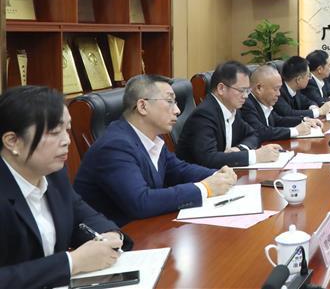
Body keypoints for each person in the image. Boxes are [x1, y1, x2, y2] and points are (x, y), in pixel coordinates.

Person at [0, 86, 126, 288]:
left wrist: (110, 236)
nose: (67, 141)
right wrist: (72, 263)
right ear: (12, 141)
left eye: (67, 129)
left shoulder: (54, 174)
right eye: (54, 132)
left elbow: (83, 216)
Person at [74, 75, 236, 226]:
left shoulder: (151, 139)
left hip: (146, 228)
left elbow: (179, 170)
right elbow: (141, 202)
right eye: (170, 101)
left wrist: (217, 175)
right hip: (115, 237)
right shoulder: (115, 146)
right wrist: (205, 188)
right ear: (143, 106)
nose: (177, 110)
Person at [176, 60, 281, 168]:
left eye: (247, 91)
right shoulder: (204, 115)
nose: (245, 96)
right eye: (241, 90)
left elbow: (254, 134)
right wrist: (255, 156)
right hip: (200, 176)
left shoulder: (232, 109)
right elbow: (208, 159)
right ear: (221, 88)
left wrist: (240, 148)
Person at [242, 65, 323, 142]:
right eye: (275, 89)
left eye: (279, 89)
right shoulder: (246, 104)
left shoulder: (263, 102)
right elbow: (260, 132)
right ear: (259, 88)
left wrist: (304, 120)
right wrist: (295, 131)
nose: (279, 94)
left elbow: (278, 120)